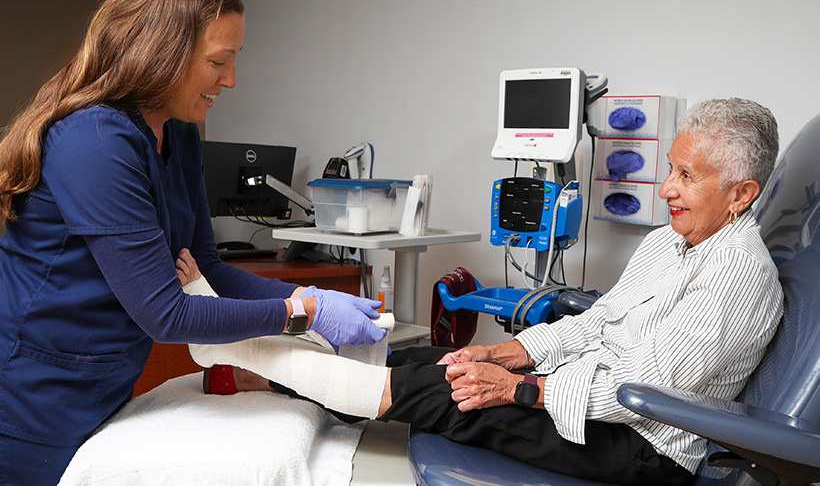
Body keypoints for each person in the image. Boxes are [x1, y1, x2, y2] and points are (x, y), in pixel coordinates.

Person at [193, 98, 785, 486]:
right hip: (591, 399)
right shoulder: (666, 244)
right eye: (671, 169)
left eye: (688, 176)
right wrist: (504, 354)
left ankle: (247, 363)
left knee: (445, 393)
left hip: (641, 446)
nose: (666, 189)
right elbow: (594, 325)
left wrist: (520, 391)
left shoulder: (737, 274)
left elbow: (642, 392)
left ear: (741, 194)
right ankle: (265, 373)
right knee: (428, 357)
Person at [0, 0, 386, 485]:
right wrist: (302, 314)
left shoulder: (178, 135)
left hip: (106, 380)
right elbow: (165, 313)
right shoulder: (94, 142)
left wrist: (310, 294)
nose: (231, 80)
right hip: (31, 395)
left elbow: (207, 269)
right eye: (218, 61)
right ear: (161, 54)